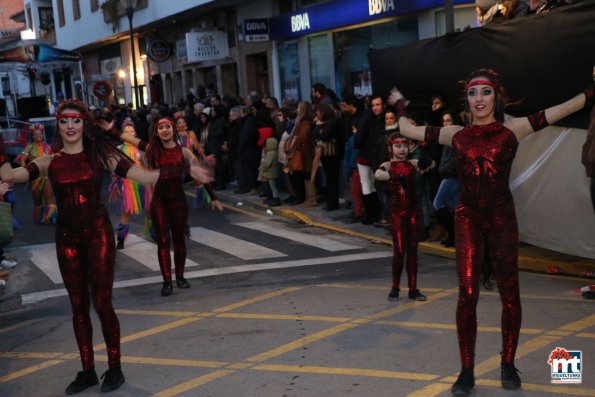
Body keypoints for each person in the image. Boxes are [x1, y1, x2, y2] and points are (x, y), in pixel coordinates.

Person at [391, 68, 594, 395]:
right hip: (467, 218)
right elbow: (409, 130)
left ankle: (508, 363)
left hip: (501, 218)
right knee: (466, 295)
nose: (479, 99)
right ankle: (467, 370)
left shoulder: (513, 129)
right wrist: (400, 106)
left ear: (496, 97)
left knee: (510, 295)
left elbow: (566, 109)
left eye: (485, 92)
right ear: (467, 101)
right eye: (473, 93)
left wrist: (591, 91)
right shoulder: (455, 134)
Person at [0, 99, 211, 394]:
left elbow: (141, 175)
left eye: (76, 120)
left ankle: (115, 369)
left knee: (102, 303)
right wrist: (6, 162)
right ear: (57, 125)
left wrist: (186, 173)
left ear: (84, 124)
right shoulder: (50, 161)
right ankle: (87, 370)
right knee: (77, 307)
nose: (70, 126)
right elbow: (12, 176)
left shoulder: (99, 155)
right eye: (64, 121)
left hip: (98, 235)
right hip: (66, 239)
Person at [121, 115, 220, 298]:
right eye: (160, 128)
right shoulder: (152, 150)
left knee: (179, 240)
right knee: (163, 242)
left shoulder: (184, 152)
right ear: (157, 132)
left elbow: (200, 174)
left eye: (167, 126)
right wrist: (110, 128)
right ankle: (167, 281)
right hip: (159, 201)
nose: (164, 130)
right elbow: (130, 139)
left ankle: (180, 277)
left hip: (178, 201)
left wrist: (213, 197)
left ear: (173, 129)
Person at [375, 133, 434, 302]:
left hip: (414, 212)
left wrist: (426, 161)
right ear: (390, 148)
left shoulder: (413, 164)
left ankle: (413, 289)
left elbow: (431, 164)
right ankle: (395, 287)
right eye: (398, 146)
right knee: (399, 251)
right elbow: (379, 174)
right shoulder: (388, 164)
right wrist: (394, 175)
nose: (402, 149)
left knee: (413, 251)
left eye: (405, 146)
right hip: (397, 214)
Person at [108, 118, 147, 249]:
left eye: (132, 130)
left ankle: (154, 232)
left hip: (143, 182)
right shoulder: (119, 149)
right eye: (126, 131)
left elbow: (148, 163)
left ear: (135, 133)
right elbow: (114, 168)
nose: (129, 132)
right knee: (126, 212)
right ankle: (121, 239)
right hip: (127, 185)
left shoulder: (140, 148)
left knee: (152, 209)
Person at [433, 110, 462, 247]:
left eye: (448, 120)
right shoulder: (448, 138)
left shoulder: (456, 138)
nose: (445, 123)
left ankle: (453, 235)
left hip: (451, 176)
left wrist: (442, 169)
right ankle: (459, 235)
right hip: (450, 175)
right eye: (444, 121)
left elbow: (455, 161)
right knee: (456, 207)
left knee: (437, 203)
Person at [17, 123, 57, 224]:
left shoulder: (48, 147)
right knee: (37, 200)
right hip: (35, 176)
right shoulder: (29, 147)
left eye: (40, 134)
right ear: (33, 136)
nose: (38, 135)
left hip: (47, 176)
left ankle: (52, 218)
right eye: (35, 134)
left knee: (49, 197)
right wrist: (25, 171)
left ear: (43, 135)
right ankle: (39, 217)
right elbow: (22, 159)